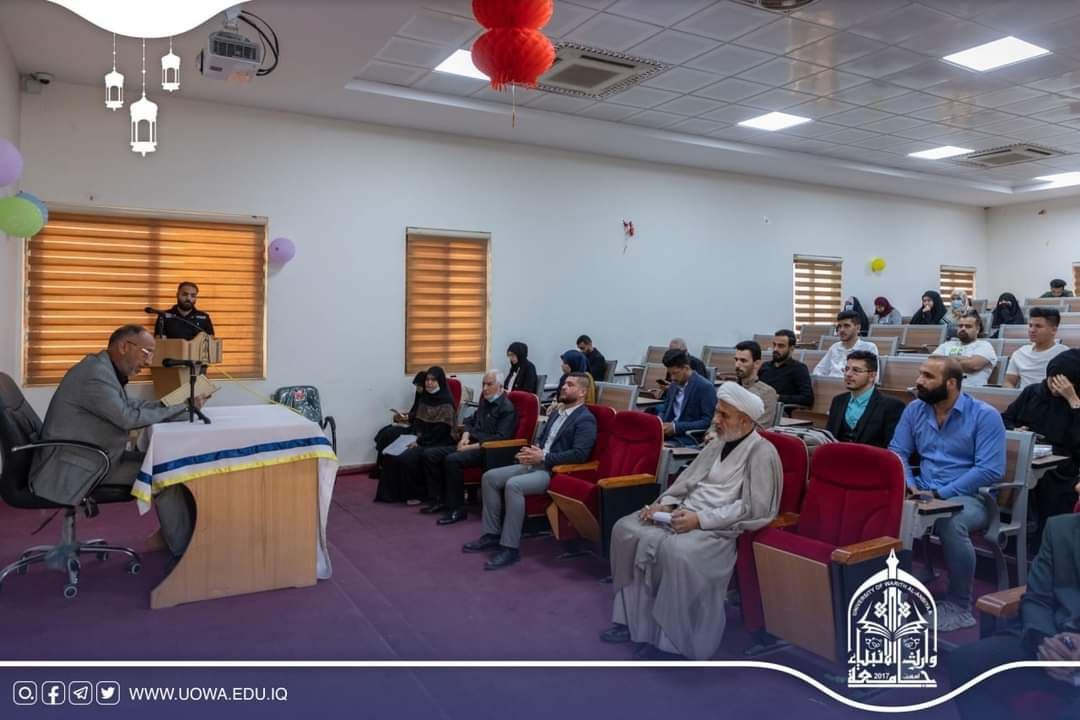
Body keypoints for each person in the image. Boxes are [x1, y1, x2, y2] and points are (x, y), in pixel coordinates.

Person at [598, 382, 782, 660]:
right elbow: (688, 481)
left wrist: (700, 520)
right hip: (683, 513)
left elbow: (753, 508)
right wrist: (666, 503)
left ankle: (671, 642)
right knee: (627, 530)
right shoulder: (718, 442)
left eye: (724, 415)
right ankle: (633, 622)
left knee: (677, 552)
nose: (715, 420)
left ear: (745, 421)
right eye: (717, 412)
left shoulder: (763, 452)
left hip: (718, 529)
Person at [29, 325, 206, 565]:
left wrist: (177, 406)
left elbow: (131, 407)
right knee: (166, 474)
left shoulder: (102, 369)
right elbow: (128, 418)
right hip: (77, 466)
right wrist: (182, 407)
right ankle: (186, 556)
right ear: (124, 346)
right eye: (146, 352)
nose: (149, 361)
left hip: (88, 457)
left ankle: (181, 540)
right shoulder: (96, 375)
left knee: (166, 464)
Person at [888, 357, 1006, 631]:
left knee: (950, 522)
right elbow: (898, 451)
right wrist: (909, 484)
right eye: (920, 374)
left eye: (928, 376)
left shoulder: (984, 415)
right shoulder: (915, 409)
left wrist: (940, 494)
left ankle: (959, 606)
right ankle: (896, 584)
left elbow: (989, 469)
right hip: (923, 489)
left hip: (971, 496)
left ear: (951, 383)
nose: (919, 381)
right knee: (884, 506)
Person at [948, 499, 1080, 720]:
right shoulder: (1059, 529)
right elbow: (1037, 598)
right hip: (1051, 638)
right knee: (964, 663)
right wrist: (1045, 642)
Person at [463, 373, 597, 570]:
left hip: (555, 471)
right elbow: (543, 441)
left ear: (583, 392)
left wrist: (543, 457)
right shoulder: (557, 413)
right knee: (490, 477)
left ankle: (510, 548)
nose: (563, 387)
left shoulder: (585, 419)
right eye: (564, 384)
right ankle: (492, 534)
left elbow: (579, 455)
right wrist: (531, 451)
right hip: (536, 462)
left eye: (570, 385)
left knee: (513, 485)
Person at [422, 369, 516, 525]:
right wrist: (465, 437)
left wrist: (469, 447)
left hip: (488, 451)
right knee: (430, 454)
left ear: (500, 387)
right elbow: (469, 421)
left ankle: (457, 509)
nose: (484, 388)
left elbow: (500, 438)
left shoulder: (506, 408)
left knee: (452, 460)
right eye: (483, 384)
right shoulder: (485, 401)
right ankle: (439, 499)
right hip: (470, 443)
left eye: (489, 384)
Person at [1003, 350, 1080, 539]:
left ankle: (1039, 536)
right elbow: (1005, 419)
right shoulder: (1033, 392)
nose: (1055, 387)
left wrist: (1073, 401)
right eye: (1052, 380)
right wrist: (1016, 429)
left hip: (1064, 466)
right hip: (1029, 455)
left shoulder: (1076, 401)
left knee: (1049, 483)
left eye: (1063, 383)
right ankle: (1016, 530)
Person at [374, 366, 456, 505]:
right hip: (420, 438)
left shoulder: (446, 403)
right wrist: (413, 436)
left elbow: (441, 432)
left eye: (433, 380)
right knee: (390, 454)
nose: (429, 383)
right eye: (427, 380)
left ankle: (418, 494)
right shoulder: (425, 399)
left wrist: (419, 441)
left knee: (407, 458)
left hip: (437, 442)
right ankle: (394, 495)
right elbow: (418, 423)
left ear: (440, 382)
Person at [824, 350, 904, 448]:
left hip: (871, 457)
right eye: (846, 369)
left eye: (856, 370)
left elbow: (891, 446)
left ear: (872, 376)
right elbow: (829, 437)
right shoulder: (838, 401)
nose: (848, 374)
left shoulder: (891, 406)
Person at [651, 349, 718, 447]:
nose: (672, 378)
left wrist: (676, 427)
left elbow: (707, 422)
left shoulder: (705, 387)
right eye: (670, 373)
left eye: (675, 373)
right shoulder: (674, 385)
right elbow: (665, 409)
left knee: (654, 448)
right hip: (667, 435)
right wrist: (659, 423)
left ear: (686, 368)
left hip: (686, 438)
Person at [371, 372, 426, 480]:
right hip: (411, 424)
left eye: (419, 386)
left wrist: (408, 418)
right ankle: (381, 466)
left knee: (389, 433)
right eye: (416, 386)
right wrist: (404, 416)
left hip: (418, 429)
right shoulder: (419, 396)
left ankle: (384, 468)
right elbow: (415, 412)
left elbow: (423, 416)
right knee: (384, 430)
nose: (418, 389)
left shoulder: (430, 399)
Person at [1004, 307, 1069, 389]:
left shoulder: (1065, 355)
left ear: (1053, 330)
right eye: (1030, 325)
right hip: (1024, 396)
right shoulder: (1020, 353)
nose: (1032, 330)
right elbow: (1009, 382)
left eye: (1038, 326)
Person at [931, 309, 997, 387]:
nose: (963, 329)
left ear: (977, 329)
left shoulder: (984, 346)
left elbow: (973, 365)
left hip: (971, 390)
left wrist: (947, 359)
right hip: (943, 389)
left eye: (968, 326)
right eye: (960, 326)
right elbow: (932, 362)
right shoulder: (947, 344)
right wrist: (964, 359)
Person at [812, 310, 879, 378]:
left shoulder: (868, 348)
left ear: (858, 328)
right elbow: (818, 371)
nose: (841, 330)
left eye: (846, 326)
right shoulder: (835, 347)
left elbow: (873, 377)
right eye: (839, 326)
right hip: (831, 383)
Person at [759, 329, 813, 409]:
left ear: (791, 348)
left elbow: (807, 398)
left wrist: (779, 397)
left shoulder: (799, 369)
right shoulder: (765, 366)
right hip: (759, 407)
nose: (775, 349)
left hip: (781, 411)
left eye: (780, 346)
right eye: (774, 345)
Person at [733, 340, 778, 426]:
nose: (737, 365)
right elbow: (716, 420)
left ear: (757, 364)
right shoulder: (731, 389)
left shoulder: (767, 393)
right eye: (736, 360)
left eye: (743, 361)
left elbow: (760, 427)